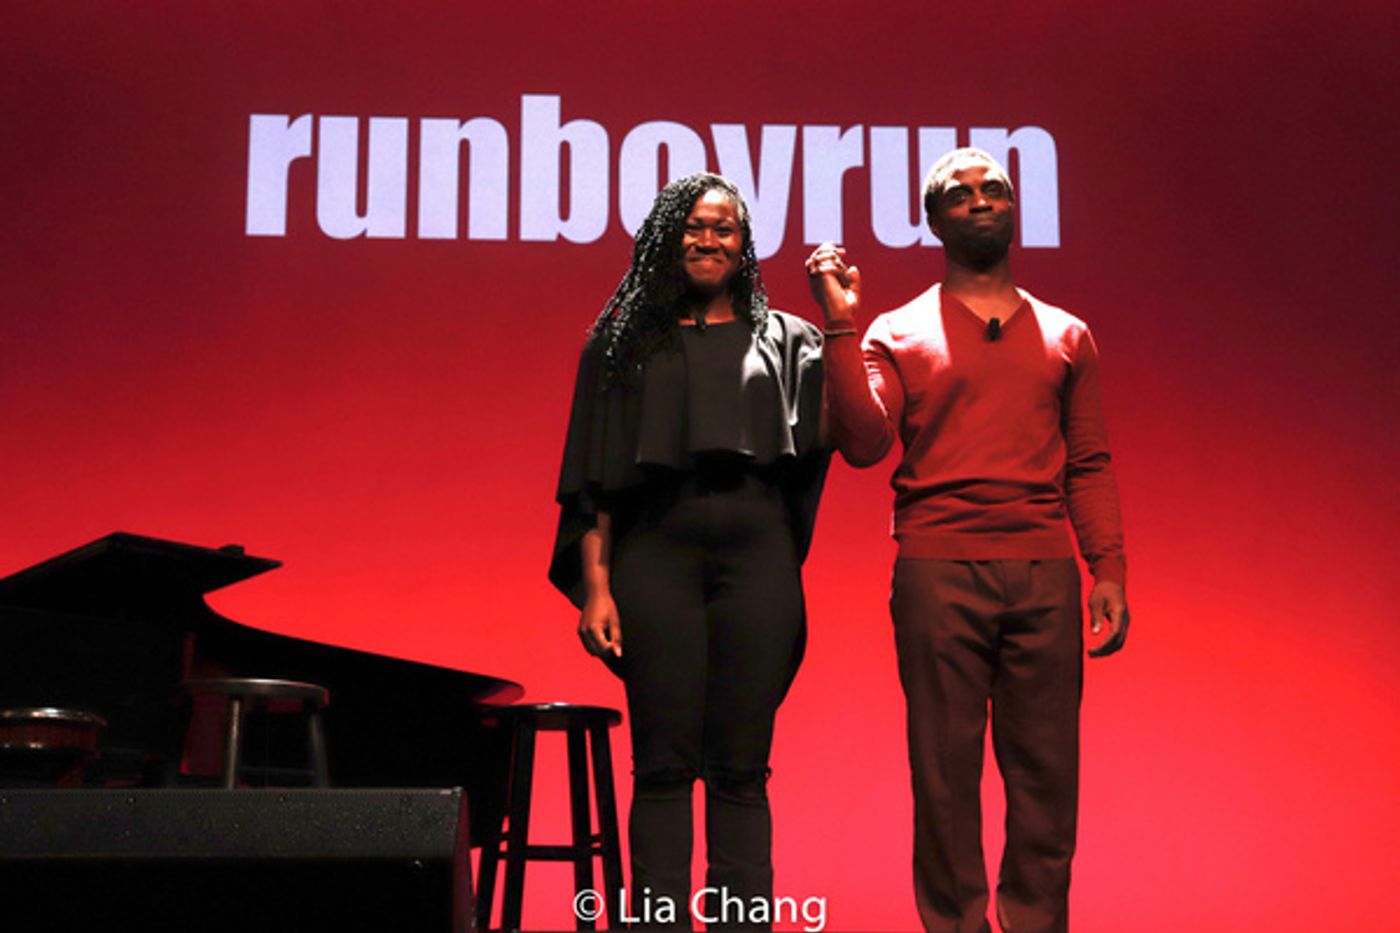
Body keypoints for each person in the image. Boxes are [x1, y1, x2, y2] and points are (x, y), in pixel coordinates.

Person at [806, 148, 1130, 933]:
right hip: (937, 569)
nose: (982, 200)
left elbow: (1087, 461)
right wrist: (840, 324)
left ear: (1016, 208)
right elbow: (860, 443)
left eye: (996, 189)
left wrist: (1108, 567)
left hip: (1045, 570)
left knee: (1048, 779)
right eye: (962, 192)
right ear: (933, 218)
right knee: (945, 780)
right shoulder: (898, 329)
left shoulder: (1066, 334)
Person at [550, 173, 828, 930]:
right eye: (693, 227)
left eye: (725, 229)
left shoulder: (791, 341)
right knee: (664, 765)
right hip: (653, 559)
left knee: (742, 767)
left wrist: (841, 318)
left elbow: (815, 466)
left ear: (745, 246)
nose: (708, 240)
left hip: (758, 559)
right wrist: (597, 588)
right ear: (667, 239)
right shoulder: (618, 344)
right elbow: (593, 479)